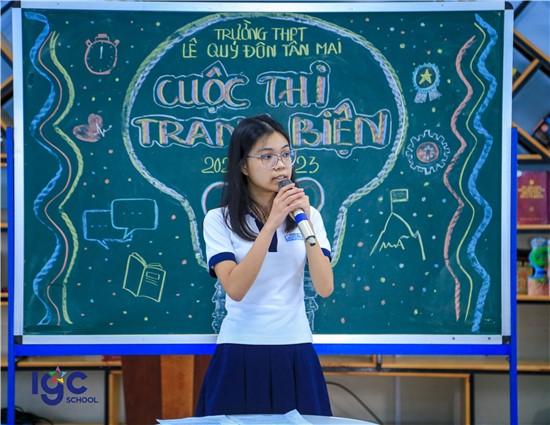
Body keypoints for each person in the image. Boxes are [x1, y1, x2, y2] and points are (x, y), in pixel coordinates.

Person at [195, 114, 334, 416]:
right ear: (243, 166)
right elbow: (235, 288)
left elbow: (325, 287)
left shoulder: (310, 216)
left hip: (295, 349)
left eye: (286, 154)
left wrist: (305, 224)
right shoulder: (218, 220)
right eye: (267, 156)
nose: (281, 165)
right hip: (239, 349)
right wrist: (272, 222)